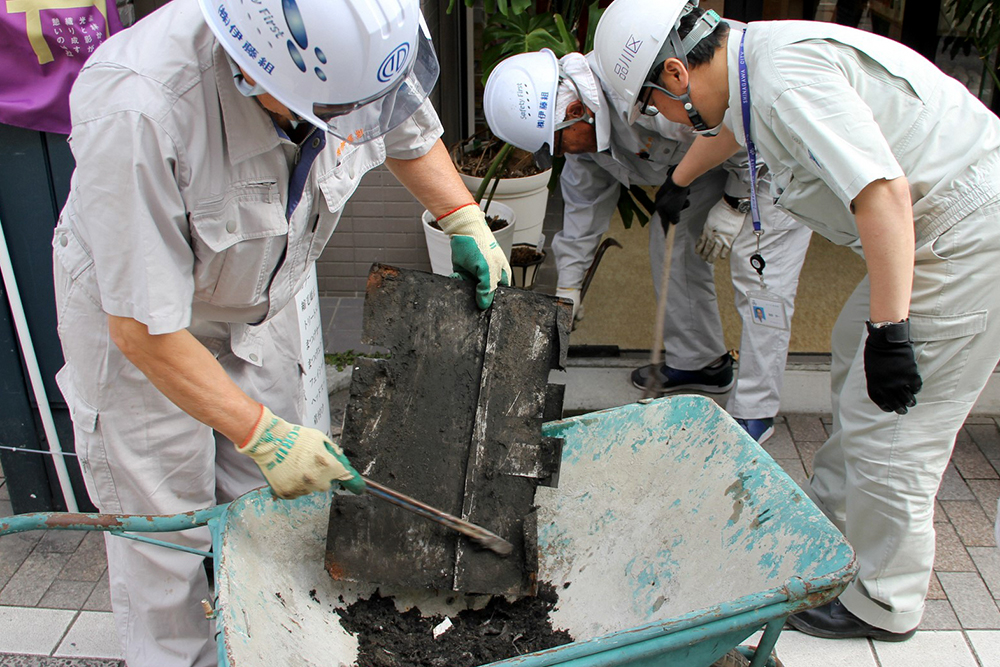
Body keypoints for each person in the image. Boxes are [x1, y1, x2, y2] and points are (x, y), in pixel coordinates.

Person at [52, 0, 510, 664]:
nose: (351, 125)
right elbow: (143, 328)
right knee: (167, 546)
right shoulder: (139, 108)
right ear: (252, 70)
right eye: (331, 113)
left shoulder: (355, 40)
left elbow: (403, 124)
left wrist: (462, 214)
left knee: (275, 513)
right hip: (143, 335)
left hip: (254, 306)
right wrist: (258, 431)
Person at [594, 0, 1000, 641]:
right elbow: (736, 127)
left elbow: (880, 192)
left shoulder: (783, 82)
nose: (660, 121)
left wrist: (891, 332)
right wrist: (679, 177)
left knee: (894, 427)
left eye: (652, 107)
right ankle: (829, 534)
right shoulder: (755, 63)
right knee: (849, 350)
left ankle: (884, 603)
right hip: (942, 218)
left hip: (964, 227)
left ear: (675, 74)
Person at [483, 47, 811, 443]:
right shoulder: (585, 144)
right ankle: (700, 363)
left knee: (758, 270)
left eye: (559, 141)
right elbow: (582, 215)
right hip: (706, 160)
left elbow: (742, 129)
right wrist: (568, 289)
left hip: (771, 157)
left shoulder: (643, 97)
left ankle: (756, 411)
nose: (562, 152)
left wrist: (734, 204)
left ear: (574, 111)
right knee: (671, 238)